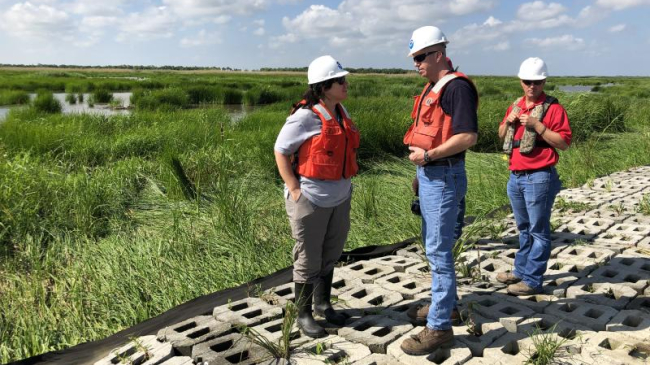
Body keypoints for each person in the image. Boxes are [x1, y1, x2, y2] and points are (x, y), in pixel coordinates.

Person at [400, 26, 478, 355]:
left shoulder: (455, 88)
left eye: (420, 57)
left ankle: (439, 328)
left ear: (437, 54)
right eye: (413, 58)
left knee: (438, 253)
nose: (415, 63)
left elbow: (467, 137)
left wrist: (429, 157)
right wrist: (421, 170)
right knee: (435, 248)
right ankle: (446, 307)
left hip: (444, 176)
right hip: (432, 176)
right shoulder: (434, 87)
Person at [273, 55, 359, 338]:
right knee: (308, 259)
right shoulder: (305, 116)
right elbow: (281, 151)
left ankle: (323, 304)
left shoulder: (341, 111)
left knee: (331, 253)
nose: (345, 84)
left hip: (339, 197)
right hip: (311, 199)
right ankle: (304, 314)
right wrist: (295, 190)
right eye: (340, 80)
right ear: (324, 86)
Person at [497, 57, 571, 296]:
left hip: (539, 176)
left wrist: (537, 125)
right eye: (527, 81)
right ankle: (521, 271)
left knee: (538, 230)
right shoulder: (515, 105)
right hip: (515, 176)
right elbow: (500, 135)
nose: (532, 86)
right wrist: (508, 123)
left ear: (544, 81)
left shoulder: (554, 109)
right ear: (521, 82)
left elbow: (563, 143)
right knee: (524, 228)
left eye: (537, 82)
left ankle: (532, 280)